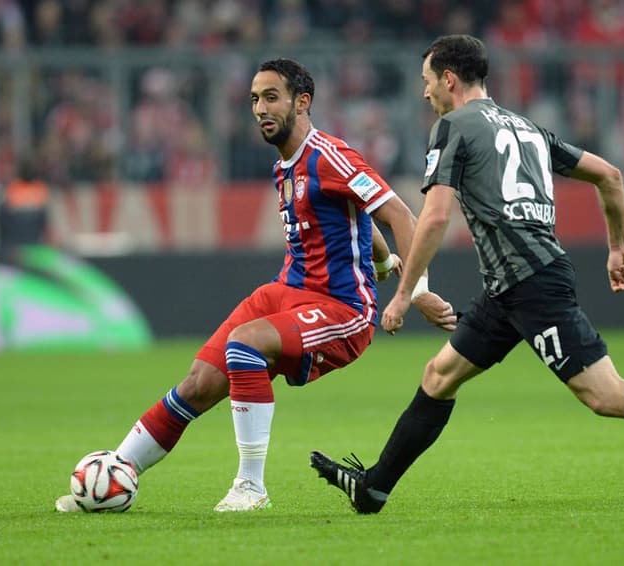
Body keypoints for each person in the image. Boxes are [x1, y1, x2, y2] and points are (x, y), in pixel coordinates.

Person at [310, 34, 624, 513]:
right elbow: (610, 176)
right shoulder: (528, 128)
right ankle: (375, 488)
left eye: (428, 81)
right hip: (510, 286)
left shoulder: (454, 126)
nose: (425, 92)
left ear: (449, 79)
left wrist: (403, 294)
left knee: (605, 395)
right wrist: (618, 244)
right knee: (439, 375)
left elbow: (434, 217)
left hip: (531, 282)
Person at [55, 58, 457, 513]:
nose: (259, 109)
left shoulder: (330, 155)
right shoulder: (284, 166)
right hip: (286, 289)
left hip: (341, 308)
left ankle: (251, 487)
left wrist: (416, 291)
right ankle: (114, 472)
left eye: (270, 97)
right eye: (253, 99)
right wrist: (383, 261)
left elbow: (398, 214)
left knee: (244, 345)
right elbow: (359, 218)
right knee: (199, 382)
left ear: (301, 102)